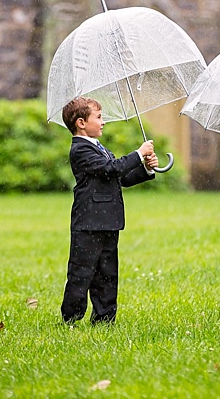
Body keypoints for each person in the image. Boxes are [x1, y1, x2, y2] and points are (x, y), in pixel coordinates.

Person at [60, 96, 156, 324]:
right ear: (81, 123)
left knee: (107, 273)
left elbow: (120, 177)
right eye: (99, 117)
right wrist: (138, 154)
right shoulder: (80, 150)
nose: (103, 122)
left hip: (109, 221)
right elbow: (110, 168)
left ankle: (104, 318)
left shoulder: (100, 148)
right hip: (88, 223)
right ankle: (70, 318)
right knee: (81, 271)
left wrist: (146, 169)